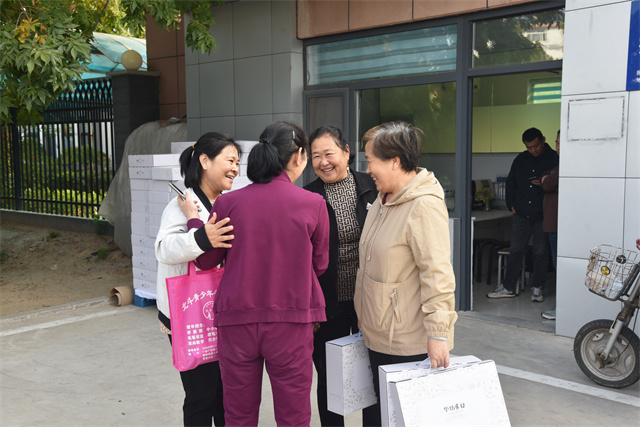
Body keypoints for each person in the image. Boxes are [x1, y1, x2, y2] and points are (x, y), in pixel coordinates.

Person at [185, 121, 330, 426]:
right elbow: (319, 265)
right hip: (291, 322)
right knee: (293, 416)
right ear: (298, 156)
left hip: (237, 321)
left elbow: (207, 260)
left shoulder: (228, 203)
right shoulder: (313, 204)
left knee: (238, 415)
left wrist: (195, 222)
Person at [354, 122, 457, 427]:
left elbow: (437, 274)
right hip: (377, 333)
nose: (367, 169)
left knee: (399, 419)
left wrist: (438, 334)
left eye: (371, 160)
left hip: (404, 341)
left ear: (394, 161)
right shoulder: (383, 200)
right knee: (376, 415)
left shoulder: (423, 205)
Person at [155, 132, 242, 427]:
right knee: (201, 396)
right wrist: (202, 237)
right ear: (205, 161)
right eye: (230, 160)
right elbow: (164, 249)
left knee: (224, 395)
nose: (235, 168)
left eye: (238, 162)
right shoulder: (181, 205)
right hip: (189, 315)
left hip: (219, 314)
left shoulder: (224, 203)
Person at [303, 125, 377, 427]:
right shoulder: (307, 196)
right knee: (330, 376)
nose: (323, 162)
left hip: (369, 301)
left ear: (346, 152)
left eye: (329, 153)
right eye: (315, 156)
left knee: (373, 372)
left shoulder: (372, 185)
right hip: (328, 303)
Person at [487, 127, 559, 302]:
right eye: (529, 147)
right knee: (516, 250)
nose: (533, 150)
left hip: (542, 215)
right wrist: (511, 204)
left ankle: (537, 287)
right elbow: (511, 182)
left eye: (536, 145)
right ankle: (508, 287)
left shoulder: (554, 158)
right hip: (521, 213)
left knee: (540, 252)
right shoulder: (521, 159)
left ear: (543, 140)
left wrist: (544, 183)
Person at [541, 130, 560, 320]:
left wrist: (548, 181)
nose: (559, 147)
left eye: (562, 143)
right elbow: (544, 176)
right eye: (557, 142)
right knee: (557, 265)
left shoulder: (566, 166)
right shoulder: (558, 165)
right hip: (553, 224)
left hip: (559, 225)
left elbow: (546, 184)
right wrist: (548, 178)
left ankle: (561, 306)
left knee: (560, 267)